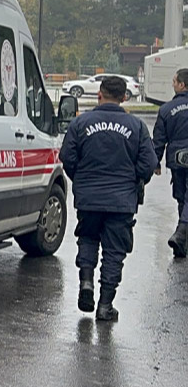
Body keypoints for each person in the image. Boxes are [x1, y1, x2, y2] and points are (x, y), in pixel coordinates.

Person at [61, 75, 156, 322]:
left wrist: (81, 180)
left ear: (99, 94)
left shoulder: (80, 124)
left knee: (88, 238)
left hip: (89, 197)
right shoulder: (136, 126)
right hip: (121, 200)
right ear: (124, 97)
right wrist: (132, 181)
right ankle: (105, 305)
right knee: (114, 252)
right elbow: (149, 163)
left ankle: (86, 283)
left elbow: (67, 158)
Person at [154, 68, 188, 257]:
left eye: (174, 81)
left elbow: (159, 140)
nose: (172, 84)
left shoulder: (166, 110)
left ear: (182, 85)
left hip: (178, 159)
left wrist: (155, 162)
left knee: (182, 197)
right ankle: (182, 236)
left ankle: (182, 236)